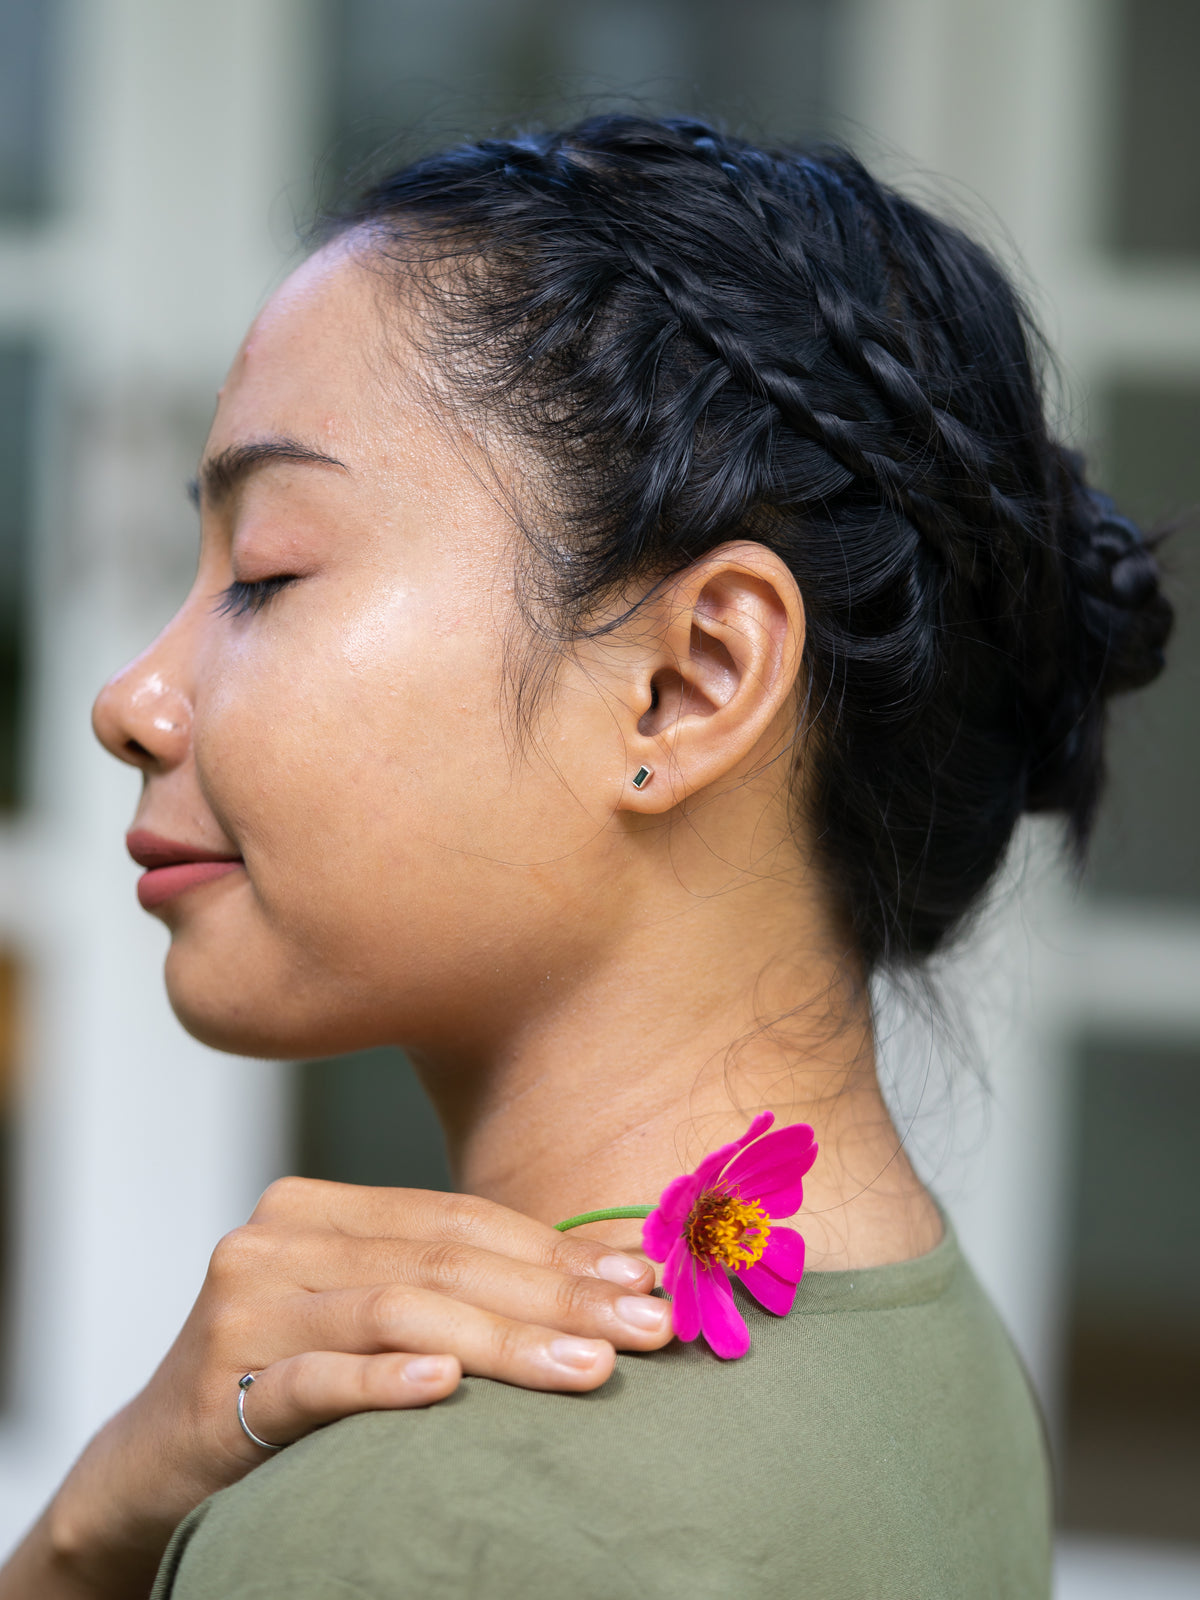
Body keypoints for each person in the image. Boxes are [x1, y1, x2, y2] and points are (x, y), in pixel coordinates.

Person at [0, 116, 1172, 1599]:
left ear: (688, 682)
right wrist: (95, 1526)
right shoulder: (933, 1350)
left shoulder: (414, 1533)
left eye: (269, 573)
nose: (131, 700)